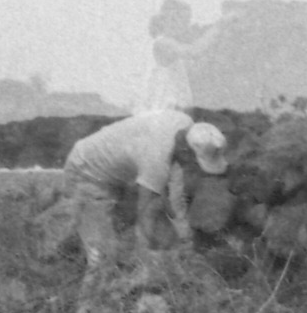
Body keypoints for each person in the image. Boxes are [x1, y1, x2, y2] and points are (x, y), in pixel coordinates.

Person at [62, 107, 229, 270]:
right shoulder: (157, 158)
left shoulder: (186, 126)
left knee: (123, 239)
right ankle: (87, 271)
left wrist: (183, 232)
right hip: (86, 171)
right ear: (186, 150)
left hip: (115, 175)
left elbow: (173, 197)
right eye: (195, 161)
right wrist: (154, 257)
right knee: (102, 260)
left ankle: (74, 244)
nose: (193, 166)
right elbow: (145, 214)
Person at [139, 0, 227, 113]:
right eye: (185, 20)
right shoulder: (163, 43)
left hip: (169, 111)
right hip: (166, 111)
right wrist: (219, 26)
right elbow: (194, 51)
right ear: (171, 19)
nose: (187, 25)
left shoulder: (165, 44)